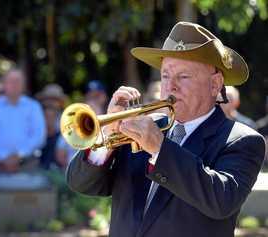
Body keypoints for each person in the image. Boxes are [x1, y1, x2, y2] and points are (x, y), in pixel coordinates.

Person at [66, 22, 266, 237]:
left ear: (215, 84)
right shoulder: (147, 126)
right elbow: (81, 184)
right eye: (165, 76)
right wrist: (107, 135)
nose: (171, 86)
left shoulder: (242, 141)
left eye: (184, 76)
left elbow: (222, 201)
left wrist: (160, 149)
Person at [0, 68, 46, 172]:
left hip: (28, 165)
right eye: (11, 81)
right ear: (4, 84)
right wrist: (4, 157)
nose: (15, 85)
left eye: (18, 81)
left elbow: (39, 136)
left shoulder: (34, 107)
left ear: (23, 85)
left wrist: (20, 155)